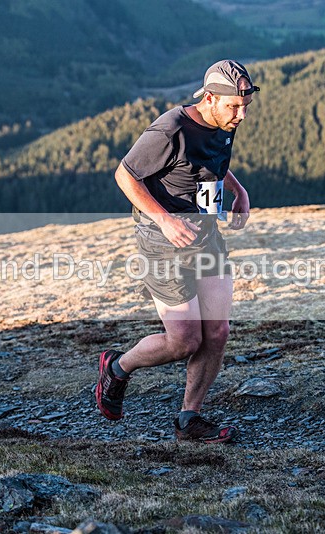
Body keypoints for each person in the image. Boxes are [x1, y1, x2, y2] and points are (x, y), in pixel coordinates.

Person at [96, 60, 258, 444]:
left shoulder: (223, 122)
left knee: (217, 331)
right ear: (210, 98)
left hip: (205, 235)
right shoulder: (170, 130)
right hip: (162, 242)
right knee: (184, 341)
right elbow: (125, 175)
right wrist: (166, 220)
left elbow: (209, 163)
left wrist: (238, 190)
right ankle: (117, 367)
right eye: (234, 107)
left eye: (245, 107)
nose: (241, 115)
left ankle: (189, 418)